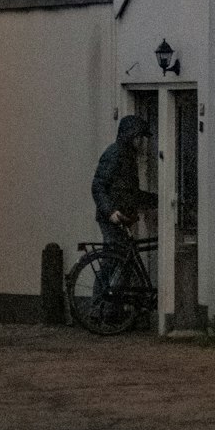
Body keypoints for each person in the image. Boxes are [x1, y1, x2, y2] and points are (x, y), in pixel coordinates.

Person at [90, 115, 156, 315]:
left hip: (122, 215)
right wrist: (110, 212)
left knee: (123, 262)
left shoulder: (128, 156)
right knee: (112, 260)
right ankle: (98, 308)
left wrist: (157, 201)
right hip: (113, 218)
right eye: (139, 138)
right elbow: (98, 185)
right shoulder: (115, 154)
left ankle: (113, 310)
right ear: (131, 136)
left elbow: (131, 191)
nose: (142, 143)